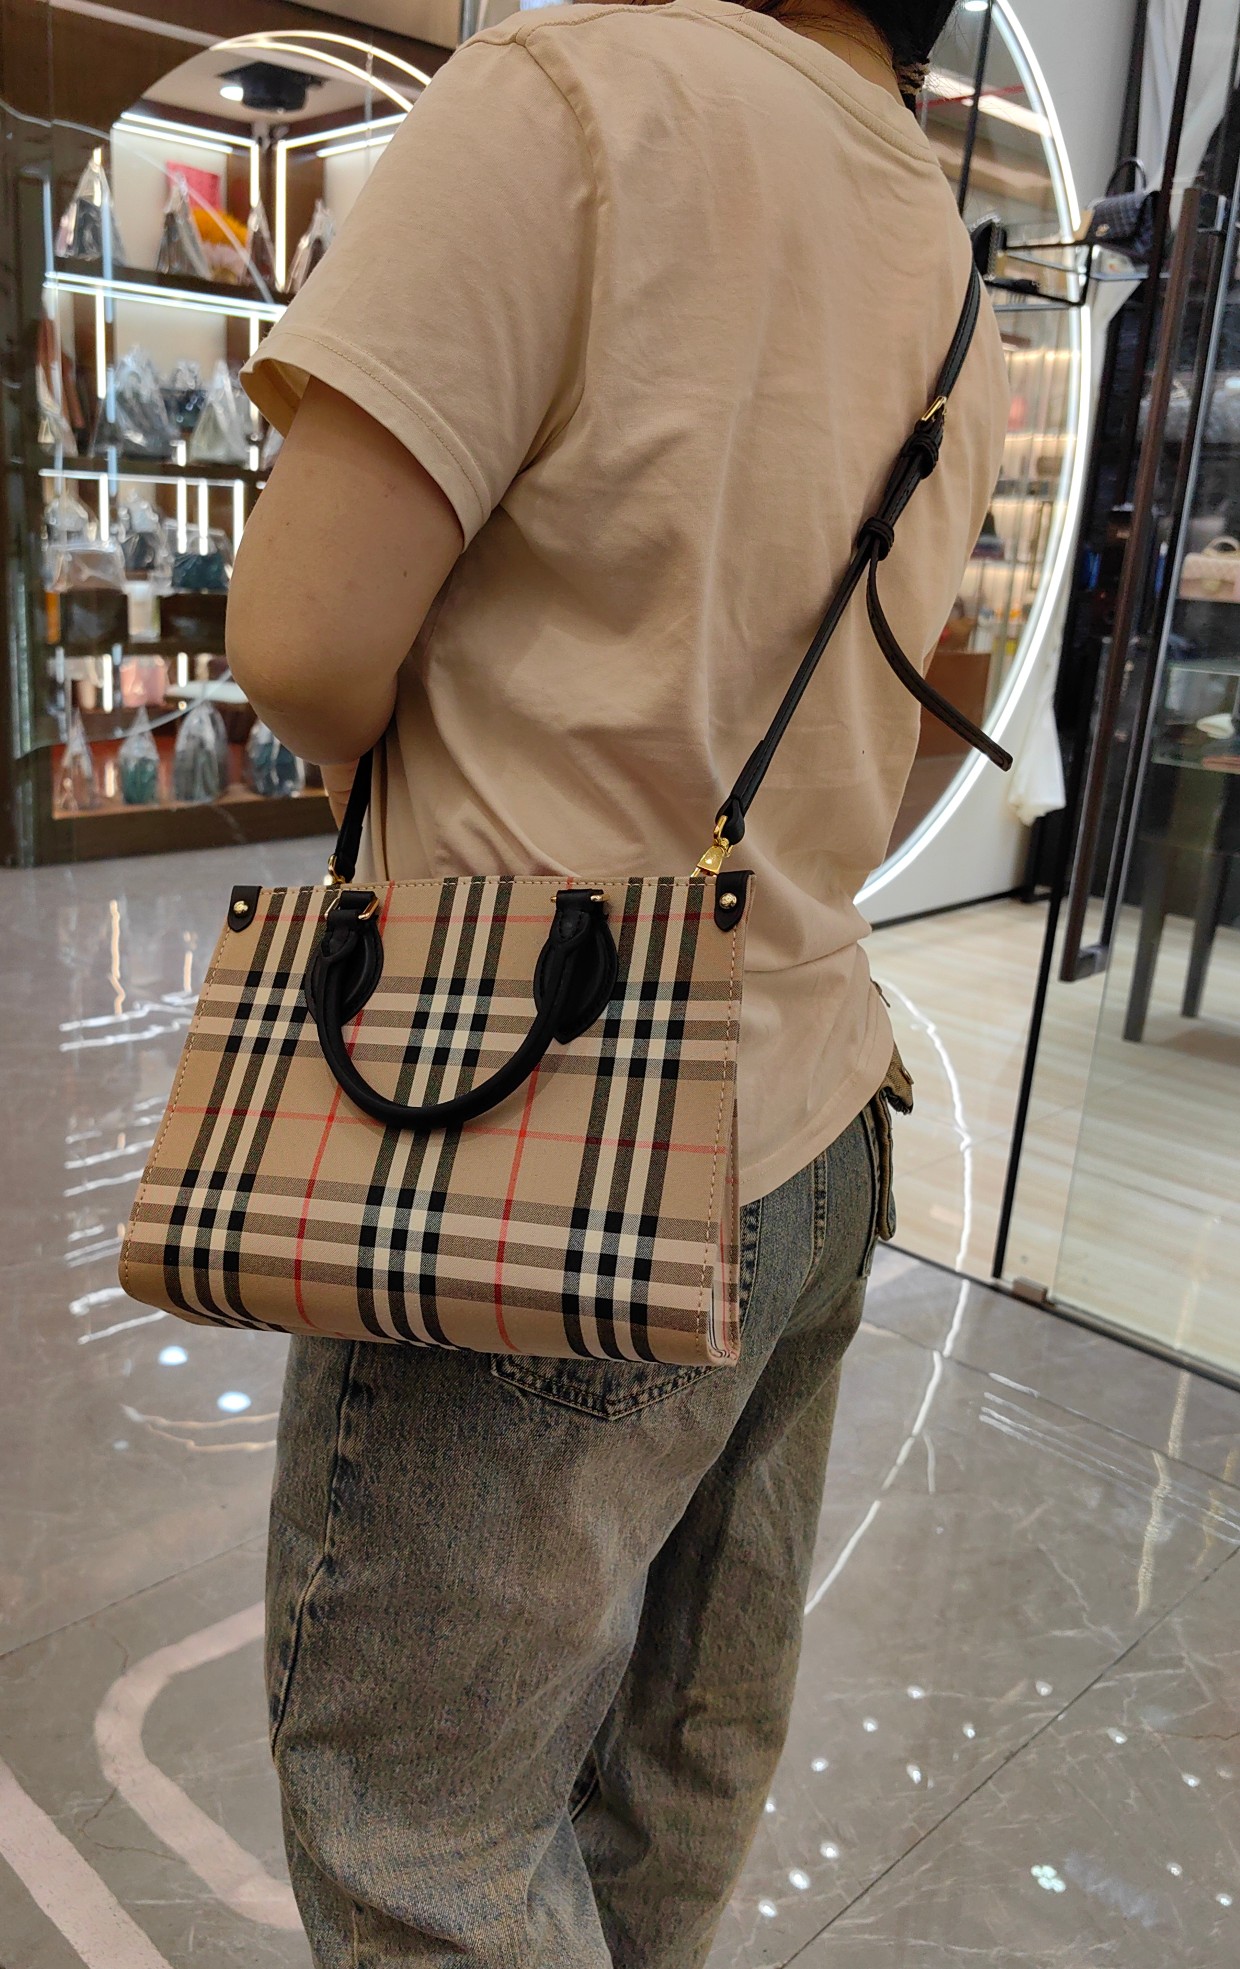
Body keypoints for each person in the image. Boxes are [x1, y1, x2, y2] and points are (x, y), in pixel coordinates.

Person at [228, 2, 1008, 1961]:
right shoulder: (947, 272)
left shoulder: (570, 103)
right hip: (815, 1105)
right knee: (665, 1779)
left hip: (527, 1122)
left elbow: (303, 640)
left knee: (428, 1833)